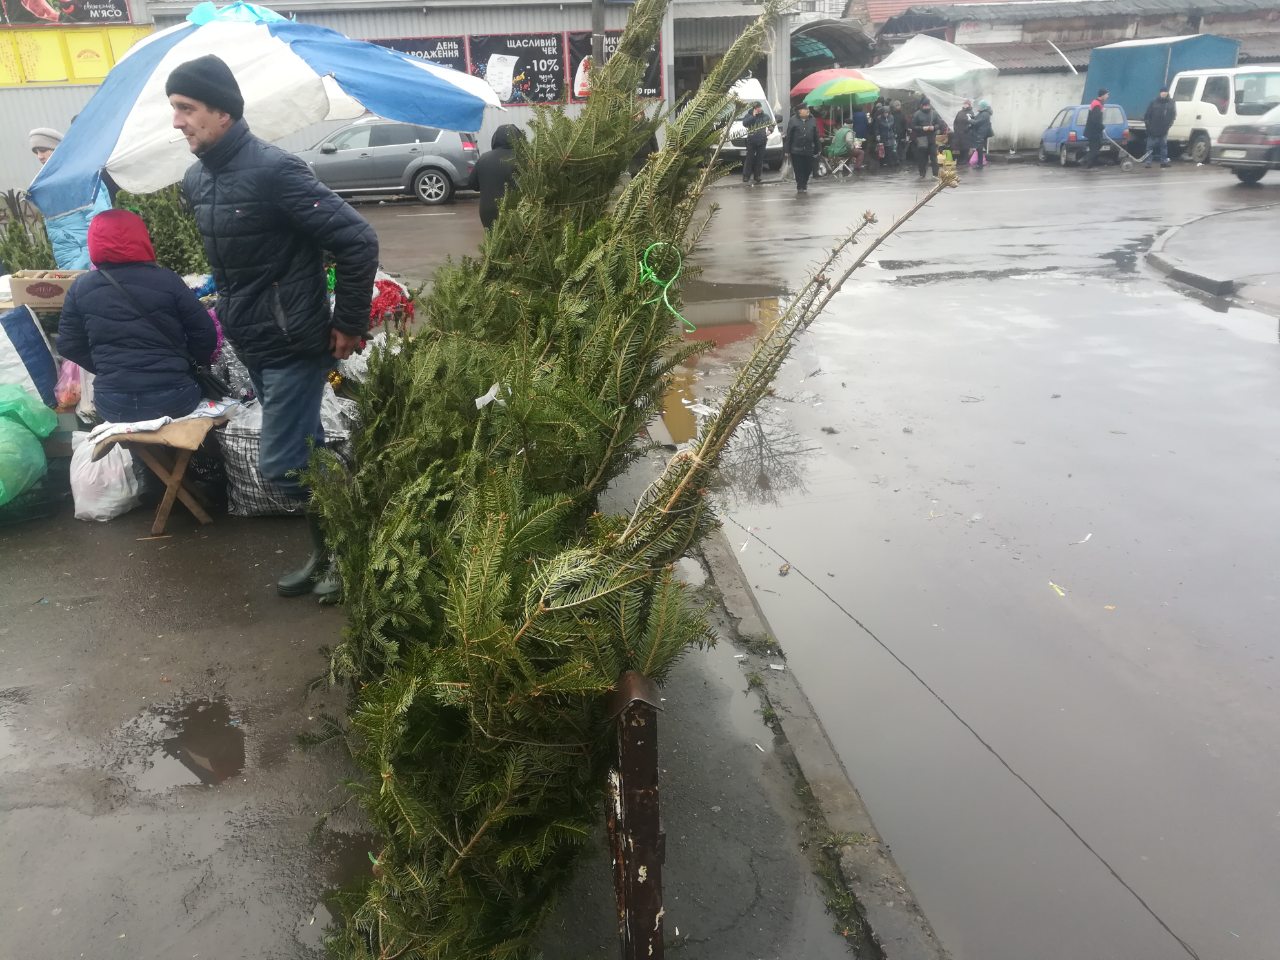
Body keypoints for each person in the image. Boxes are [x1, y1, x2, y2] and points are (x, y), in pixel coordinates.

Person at [167, 54, 379, 600]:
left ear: (223, 111)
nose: (177, 122)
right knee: (304, 451)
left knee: (283, 466)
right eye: (174, 110)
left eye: (186, 109)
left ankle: (356, 547)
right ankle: (327, 554)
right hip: (253, 343)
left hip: (297, 342)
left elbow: (356, 240)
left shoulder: (274, 170)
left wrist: (349, 321)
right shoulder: (197, 180)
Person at [57, 210, 217, 424]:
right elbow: (205, 332)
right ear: (141, 238)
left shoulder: (80, 288)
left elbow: (68, 344)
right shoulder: (167, 280)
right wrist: (190, 364)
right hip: (175, 396)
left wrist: (106, 368)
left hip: (113, 402)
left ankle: (140, 459)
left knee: (136, 435)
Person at [469, 124, 524, 228]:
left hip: (488, 212)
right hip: (516, 210)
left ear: (495, 139)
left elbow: (472, 184)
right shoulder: (522, 158)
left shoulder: (484, 158)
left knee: (493, 241)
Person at [784, 104, 821, 194]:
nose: (808, 110)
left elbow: (816, 135)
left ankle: (804, 182)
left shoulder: (812, 120)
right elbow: (789, 136)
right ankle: (800, 185)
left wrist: (818, 148)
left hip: (809, 149)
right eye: (805, 109)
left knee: (808, 168)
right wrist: (787, 150)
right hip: (796, 150)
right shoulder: (793, 120)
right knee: (798, 169)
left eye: (808, 109)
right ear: (799, 111)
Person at [910, 97, 946, 179]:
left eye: (928, 105)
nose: (926, 107)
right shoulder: (917, 114)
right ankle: (922, 173)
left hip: (931, 137)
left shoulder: (934, 113)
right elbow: (912, 126)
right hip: (921, 137)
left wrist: (934, 127)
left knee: (934, 156)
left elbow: (939, 123)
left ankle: (935, 174)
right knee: (922, 157)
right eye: (925, 105)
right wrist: (922, 128)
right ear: (922, 105)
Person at [1143, 86, 1175, 168]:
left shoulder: (1171, 103)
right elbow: (1147, 115)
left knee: (1163, 146)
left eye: (1165, 91)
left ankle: (1164, 162)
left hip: (1164, 129)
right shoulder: (1153, 102)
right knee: (1149, 147)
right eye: (1162, 91)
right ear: (1160, 93)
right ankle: (1148, 162)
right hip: (1152, 129)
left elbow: (1173, 115)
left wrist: (1168, 126)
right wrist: (1148, 127)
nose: (1164, 93)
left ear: (1167, 93)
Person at [740, 103, 773, 184]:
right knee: (749, 158)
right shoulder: (749, 115)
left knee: (760, 159)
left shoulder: (765, 116)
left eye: (759, 107)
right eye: (756, 108)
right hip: (751, 140)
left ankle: (757, 176)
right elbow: (745, 124)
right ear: (754, 108)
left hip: (762, 140)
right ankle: (746, 176)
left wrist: (770, 130)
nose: (758, 109)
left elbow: (771, 125)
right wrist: (753, 116)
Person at [1085, 88, 1109, 170]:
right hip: (1093, 132)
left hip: (1094, 131)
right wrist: (1102, 127)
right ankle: (1088, 164)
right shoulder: (1097, 105)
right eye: (1106, 95)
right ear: (1102, 95)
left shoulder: (1098, 103)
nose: (1107, 96)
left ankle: (1089, 163)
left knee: (1096, 147)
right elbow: (1095, 120)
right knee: (1094, 149)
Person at [969, 99, 994, 168]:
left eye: (980, 106)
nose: (978, 107)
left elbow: (977, 122)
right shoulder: (982, 113)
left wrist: (970, 120)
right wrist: (972, 117)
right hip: (980, 133)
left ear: (983, 107)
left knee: (979, 149)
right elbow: (977, 118)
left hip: (981, 134)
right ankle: (979, 163)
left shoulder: (985, 114)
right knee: (978, 149)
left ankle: (980, 164)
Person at [875, 102, 898, 167]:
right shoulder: (879, 118)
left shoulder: (891, 117)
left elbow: (894, 126)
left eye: (887, 113)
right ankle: (882, 163)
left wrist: (895, 133)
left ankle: (891, 162)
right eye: (885, 113)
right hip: (883, 136)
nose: (886, 114)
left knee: (891, 149)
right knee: (882, 150)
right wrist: (877, 135)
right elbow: (877, 128)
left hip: (891, 136)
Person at [952, 99, 973, 165]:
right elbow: (955, 122)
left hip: (966, 133)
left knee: (965, 147)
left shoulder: (971, 113)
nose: (965, 105)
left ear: (969, 105)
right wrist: (955, 129)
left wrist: (966, 129)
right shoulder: (960, 112)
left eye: (966, 104)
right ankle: (960, 159)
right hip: (958, 132)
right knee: (959, 146)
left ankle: (965, 159)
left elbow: (972, 123)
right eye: (964, 104)